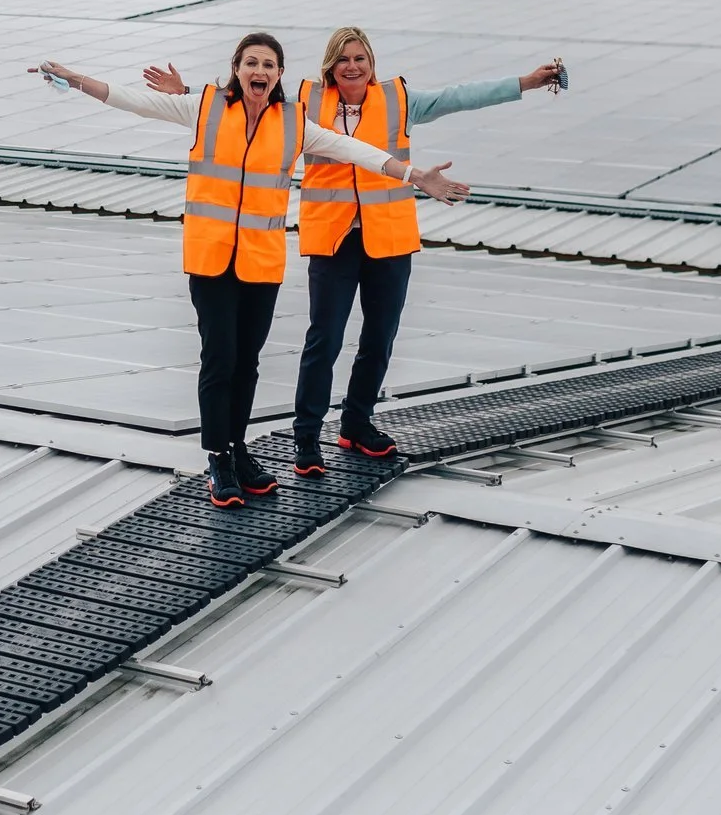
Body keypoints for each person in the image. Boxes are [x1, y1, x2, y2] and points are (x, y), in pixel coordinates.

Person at [35, 33, 470, 509]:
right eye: (251, 63)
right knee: (220, 358)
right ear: (237, 69)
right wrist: (76, 79)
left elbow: (355, 150)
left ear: (279, 74)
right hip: (212, 259)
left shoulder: (293, 123)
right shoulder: (205, 108)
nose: (259, 71)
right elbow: (133, 101)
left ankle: (238, 450)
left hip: (261, 262)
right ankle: (218, 459)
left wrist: (414, 175)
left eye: (268, 64)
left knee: (247, 363)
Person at [156, 26, 564, 477]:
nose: (352, 67)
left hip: (388, 236)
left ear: (372, 64)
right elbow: (250, 105)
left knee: (379, 338)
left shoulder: (400, 101)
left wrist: (526, 83)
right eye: (343, 59)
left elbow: (460, 97)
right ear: (329, 66)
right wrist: (188, 94)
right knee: (324, 339)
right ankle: (307, 437)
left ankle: (356, 423)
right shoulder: (306, 103)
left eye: (360, 59)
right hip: (333, 237)